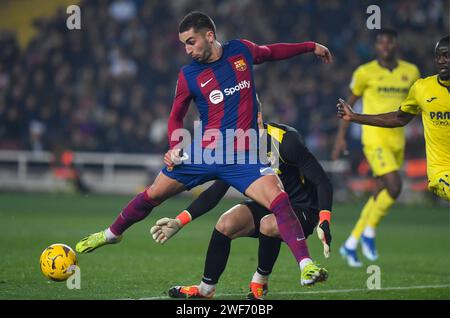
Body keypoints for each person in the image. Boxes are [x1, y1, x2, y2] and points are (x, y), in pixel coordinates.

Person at [75, 11, 333, 284]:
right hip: (204, 151)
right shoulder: (188, 75)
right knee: (154, 194)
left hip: (243, 153)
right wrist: (175, 146)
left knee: (279, 199)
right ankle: (112, 234)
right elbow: (176, 116)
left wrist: (310, 47)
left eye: (191, 42)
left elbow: (271, 52)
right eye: (184, 44)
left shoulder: (241, 51)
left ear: (209, 36)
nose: (188, 50)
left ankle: (306, 266)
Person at [150, 103, 333, 299]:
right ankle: (205, 289)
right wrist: (179, 221)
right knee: (226, 222)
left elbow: (322, 180)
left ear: (258, 116)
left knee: (268, 223)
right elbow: (216, 192)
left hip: (302, 209)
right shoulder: (237, 148)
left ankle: (260, 282)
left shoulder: (286, 141)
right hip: (267, 204)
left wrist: (324, 220)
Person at [332, 29, 420, 267]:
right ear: (376, 46)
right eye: (380, 42)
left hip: (397, 139)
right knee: (395, 185)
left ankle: (350, 243)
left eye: (389, 42)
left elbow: (416, 104)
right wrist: (341, 138)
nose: (385, 46)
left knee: (380, 192)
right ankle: (369, 232)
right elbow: (347, 106)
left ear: (395, 44)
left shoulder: (411, 72)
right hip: (373, 137)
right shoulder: (365, 72)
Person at [337, 35, 449, 204]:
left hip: (398, 145)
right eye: (438, 56)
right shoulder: (423, 88)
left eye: (446, 55)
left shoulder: (412, 75)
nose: (441, 60)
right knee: (394, 185)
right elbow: (398, 118)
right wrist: (354, 117)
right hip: (441, 172)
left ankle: (366, 230)